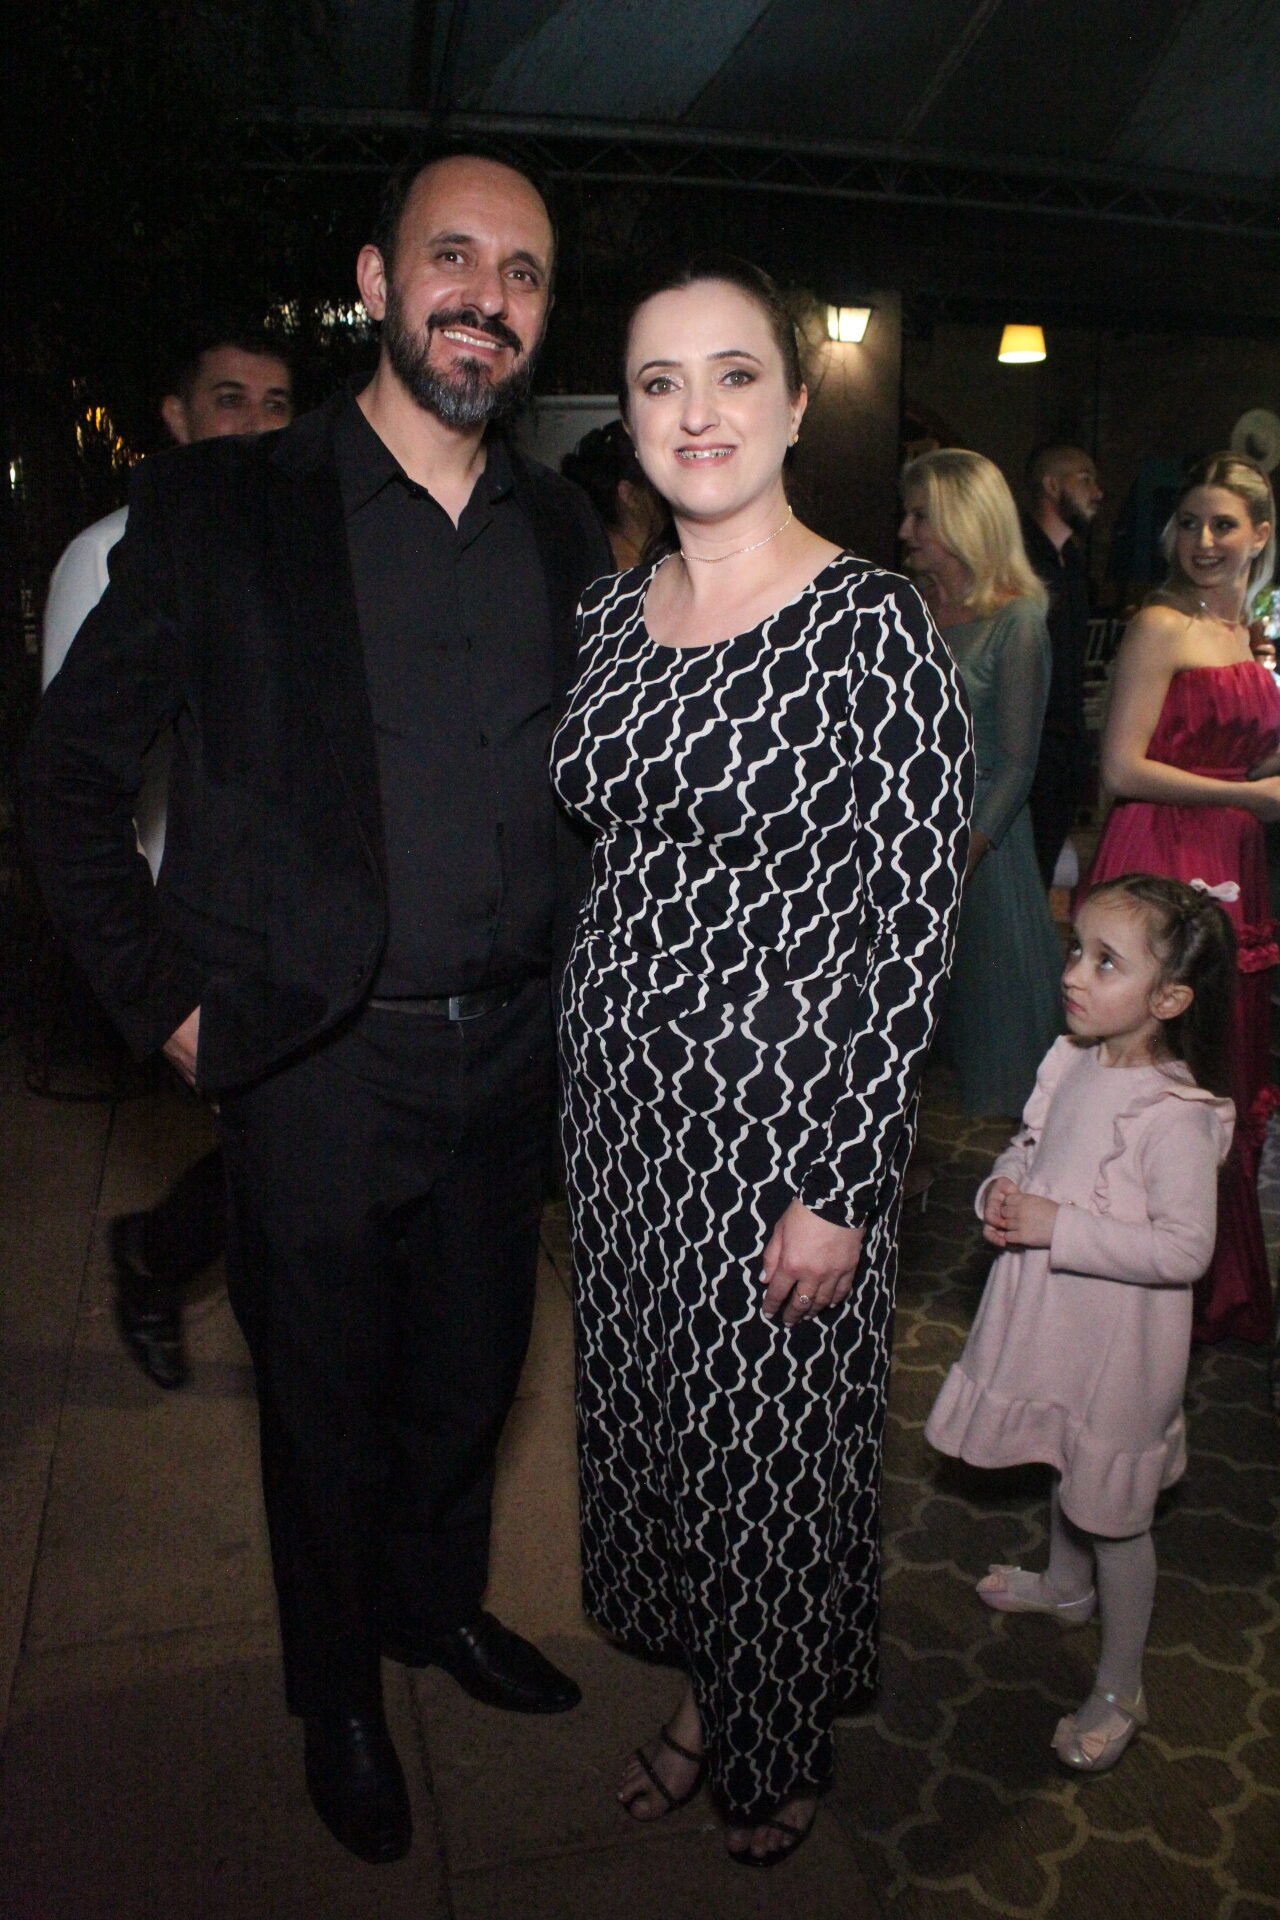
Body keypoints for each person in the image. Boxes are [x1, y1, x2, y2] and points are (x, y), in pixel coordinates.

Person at [23, 149, 613, 1865]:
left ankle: (436, 1607)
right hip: (316, 1063)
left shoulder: (565, 530)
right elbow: (67, 781)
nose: (486, 297)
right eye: (454, 256)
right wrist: (166, 1004)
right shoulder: (223, 507)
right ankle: (337, 1691)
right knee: (325, 1406)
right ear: (375, 279)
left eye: (521, 273)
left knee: (473, 1379)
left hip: (513, 1054)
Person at [551, 258, 972, 1866]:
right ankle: (708, 1696)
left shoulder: (874, 628)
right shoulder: (609, 614)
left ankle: (770, 1742)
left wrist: (843, 1186)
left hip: (780, 1133)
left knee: (772, 1466)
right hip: (620, 1127)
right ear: (628, 418)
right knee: (665, 1437)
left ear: (796, 406)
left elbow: (909, 930)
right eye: (659, 382)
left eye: (734, 374)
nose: (698, 411)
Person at [926, 875, 1236, 1772]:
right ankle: (1066, 1588)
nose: (1073, 973)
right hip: (1051, 1316)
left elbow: (1185, 1250)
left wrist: (1060, 1226)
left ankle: (1119, 1685)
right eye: (1076, 949)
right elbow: (1027, 1145)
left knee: (1114, 1515)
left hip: (1119, 1347)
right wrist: (1002, 1190)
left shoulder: (1175, 1117)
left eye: (1106, 962)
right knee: (1067, 1456)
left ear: (1169, 1000)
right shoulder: (1070, 1061)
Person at [42, 325, 296, 1391]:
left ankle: (156, 1253)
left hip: (276, 922)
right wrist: (157, 984)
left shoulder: (296, 547)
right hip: (181, 938)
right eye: (230, 398)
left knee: (284, 1150)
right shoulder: (109, 553)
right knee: (281, 1152)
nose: (254, 424)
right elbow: (76, 786)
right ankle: (156, 1256)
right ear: (176, 416)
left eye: (276, 403)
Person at [1082, 453, 1279, 1345]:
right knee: (1156, 1066)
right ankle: (1115, 1278)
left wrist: (1258, 781)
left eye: (1223, 525)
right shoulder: (1160, 624)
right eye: (1190, 523)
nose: (1203, 541)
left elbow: (1242, 751)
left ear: (1260, 536)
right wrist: (1250, 796)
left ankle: (1203, 1280)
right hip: (1161, 853)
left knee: (1217, 1065)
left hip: (1231, 854)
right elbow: (1123, 768)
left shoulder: (1242, 632)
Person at [899, 448, 1062, 1117]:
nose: (905, 531)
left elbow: (1019, 764)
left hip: (981, 849)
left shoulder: (1017, 621)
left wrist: (962, 854)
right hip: (902, 839)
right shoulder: (908, 606)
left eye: (921, 517)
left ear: (965, 522)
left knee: (997, 1058)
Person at [1020, 444, 1103, 885]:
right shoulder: (1018, 558)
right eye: (1085, 479)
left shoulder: (1072, 560)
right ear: (1052, 485)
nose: (1097, 492)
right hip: (1029, 747)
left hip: (1062, 749)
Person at [560, 417, 669, 569]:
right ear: (630, 496)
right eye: (658, 484)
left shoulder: (594, 551)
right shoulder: (621, 569)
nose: (668, 492)